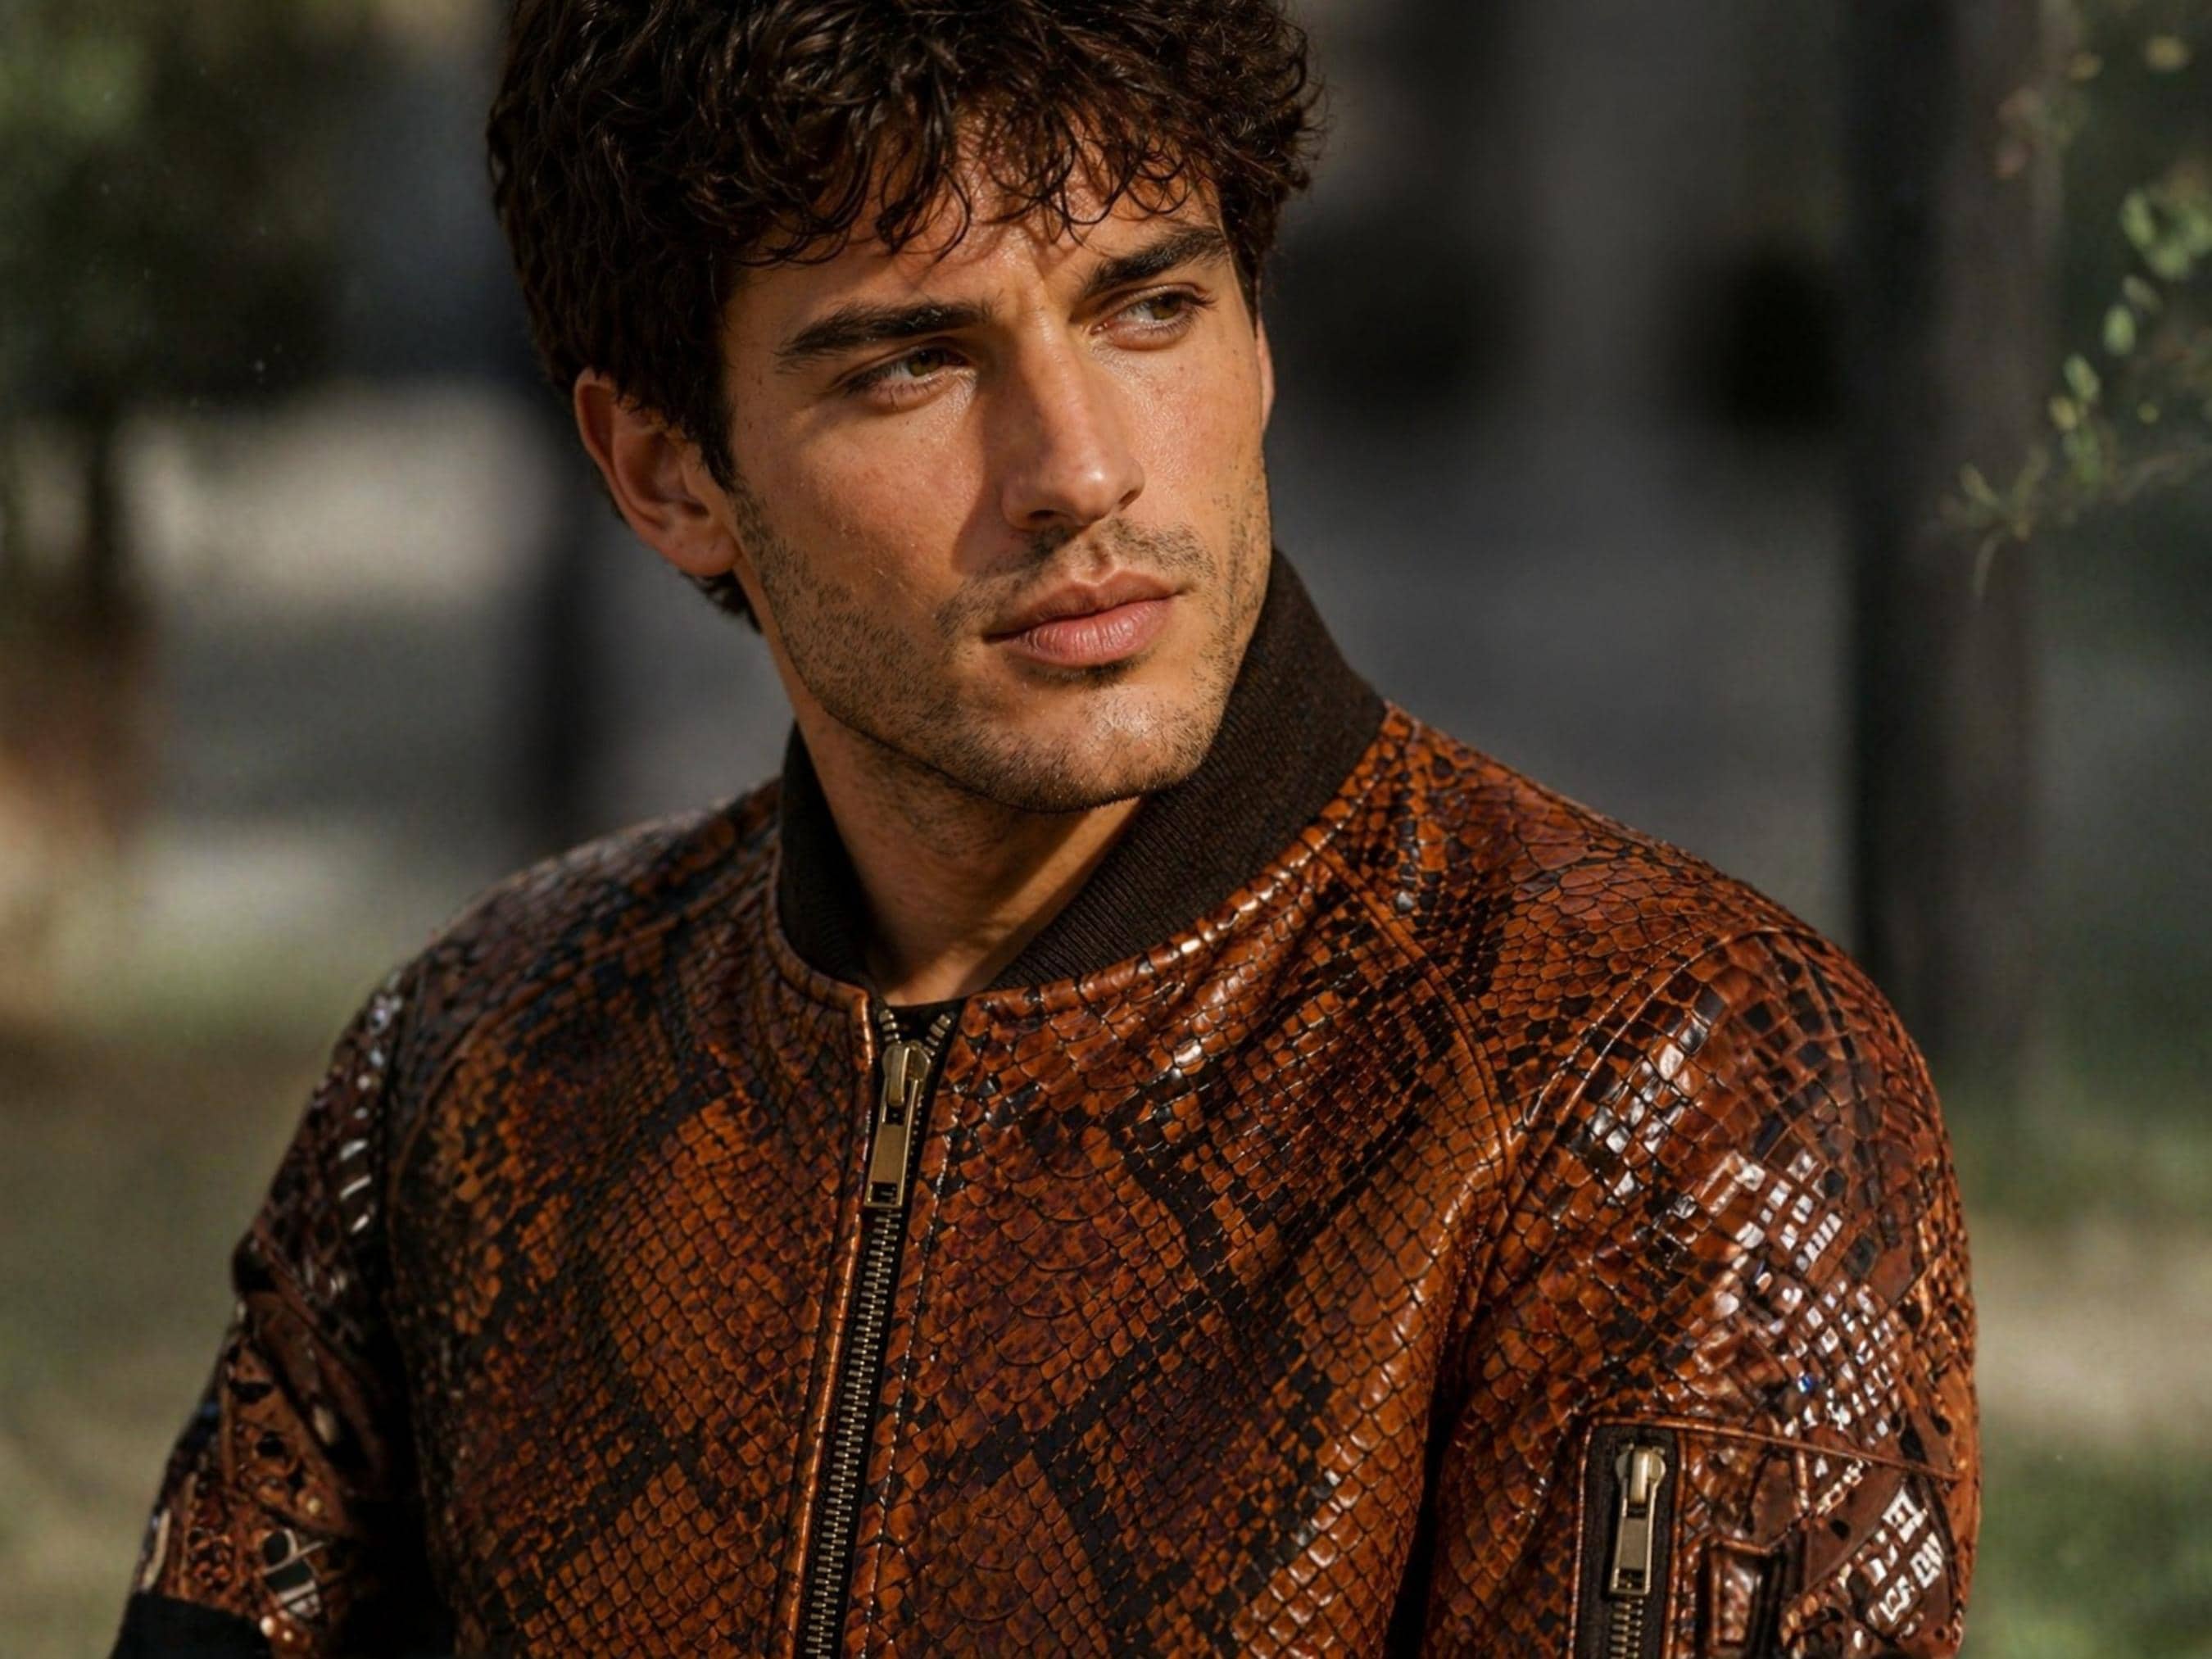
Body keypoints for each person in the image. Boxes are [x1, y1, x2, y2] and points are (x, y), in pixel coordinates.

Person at [111, 2, 1979, 1654]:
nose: (1080, 468)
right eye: (912, 363)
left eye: (1150, 305)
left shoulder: (1662, 1087)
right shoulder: (473, 1068)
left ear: (1259, 340)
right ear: (670, 473)